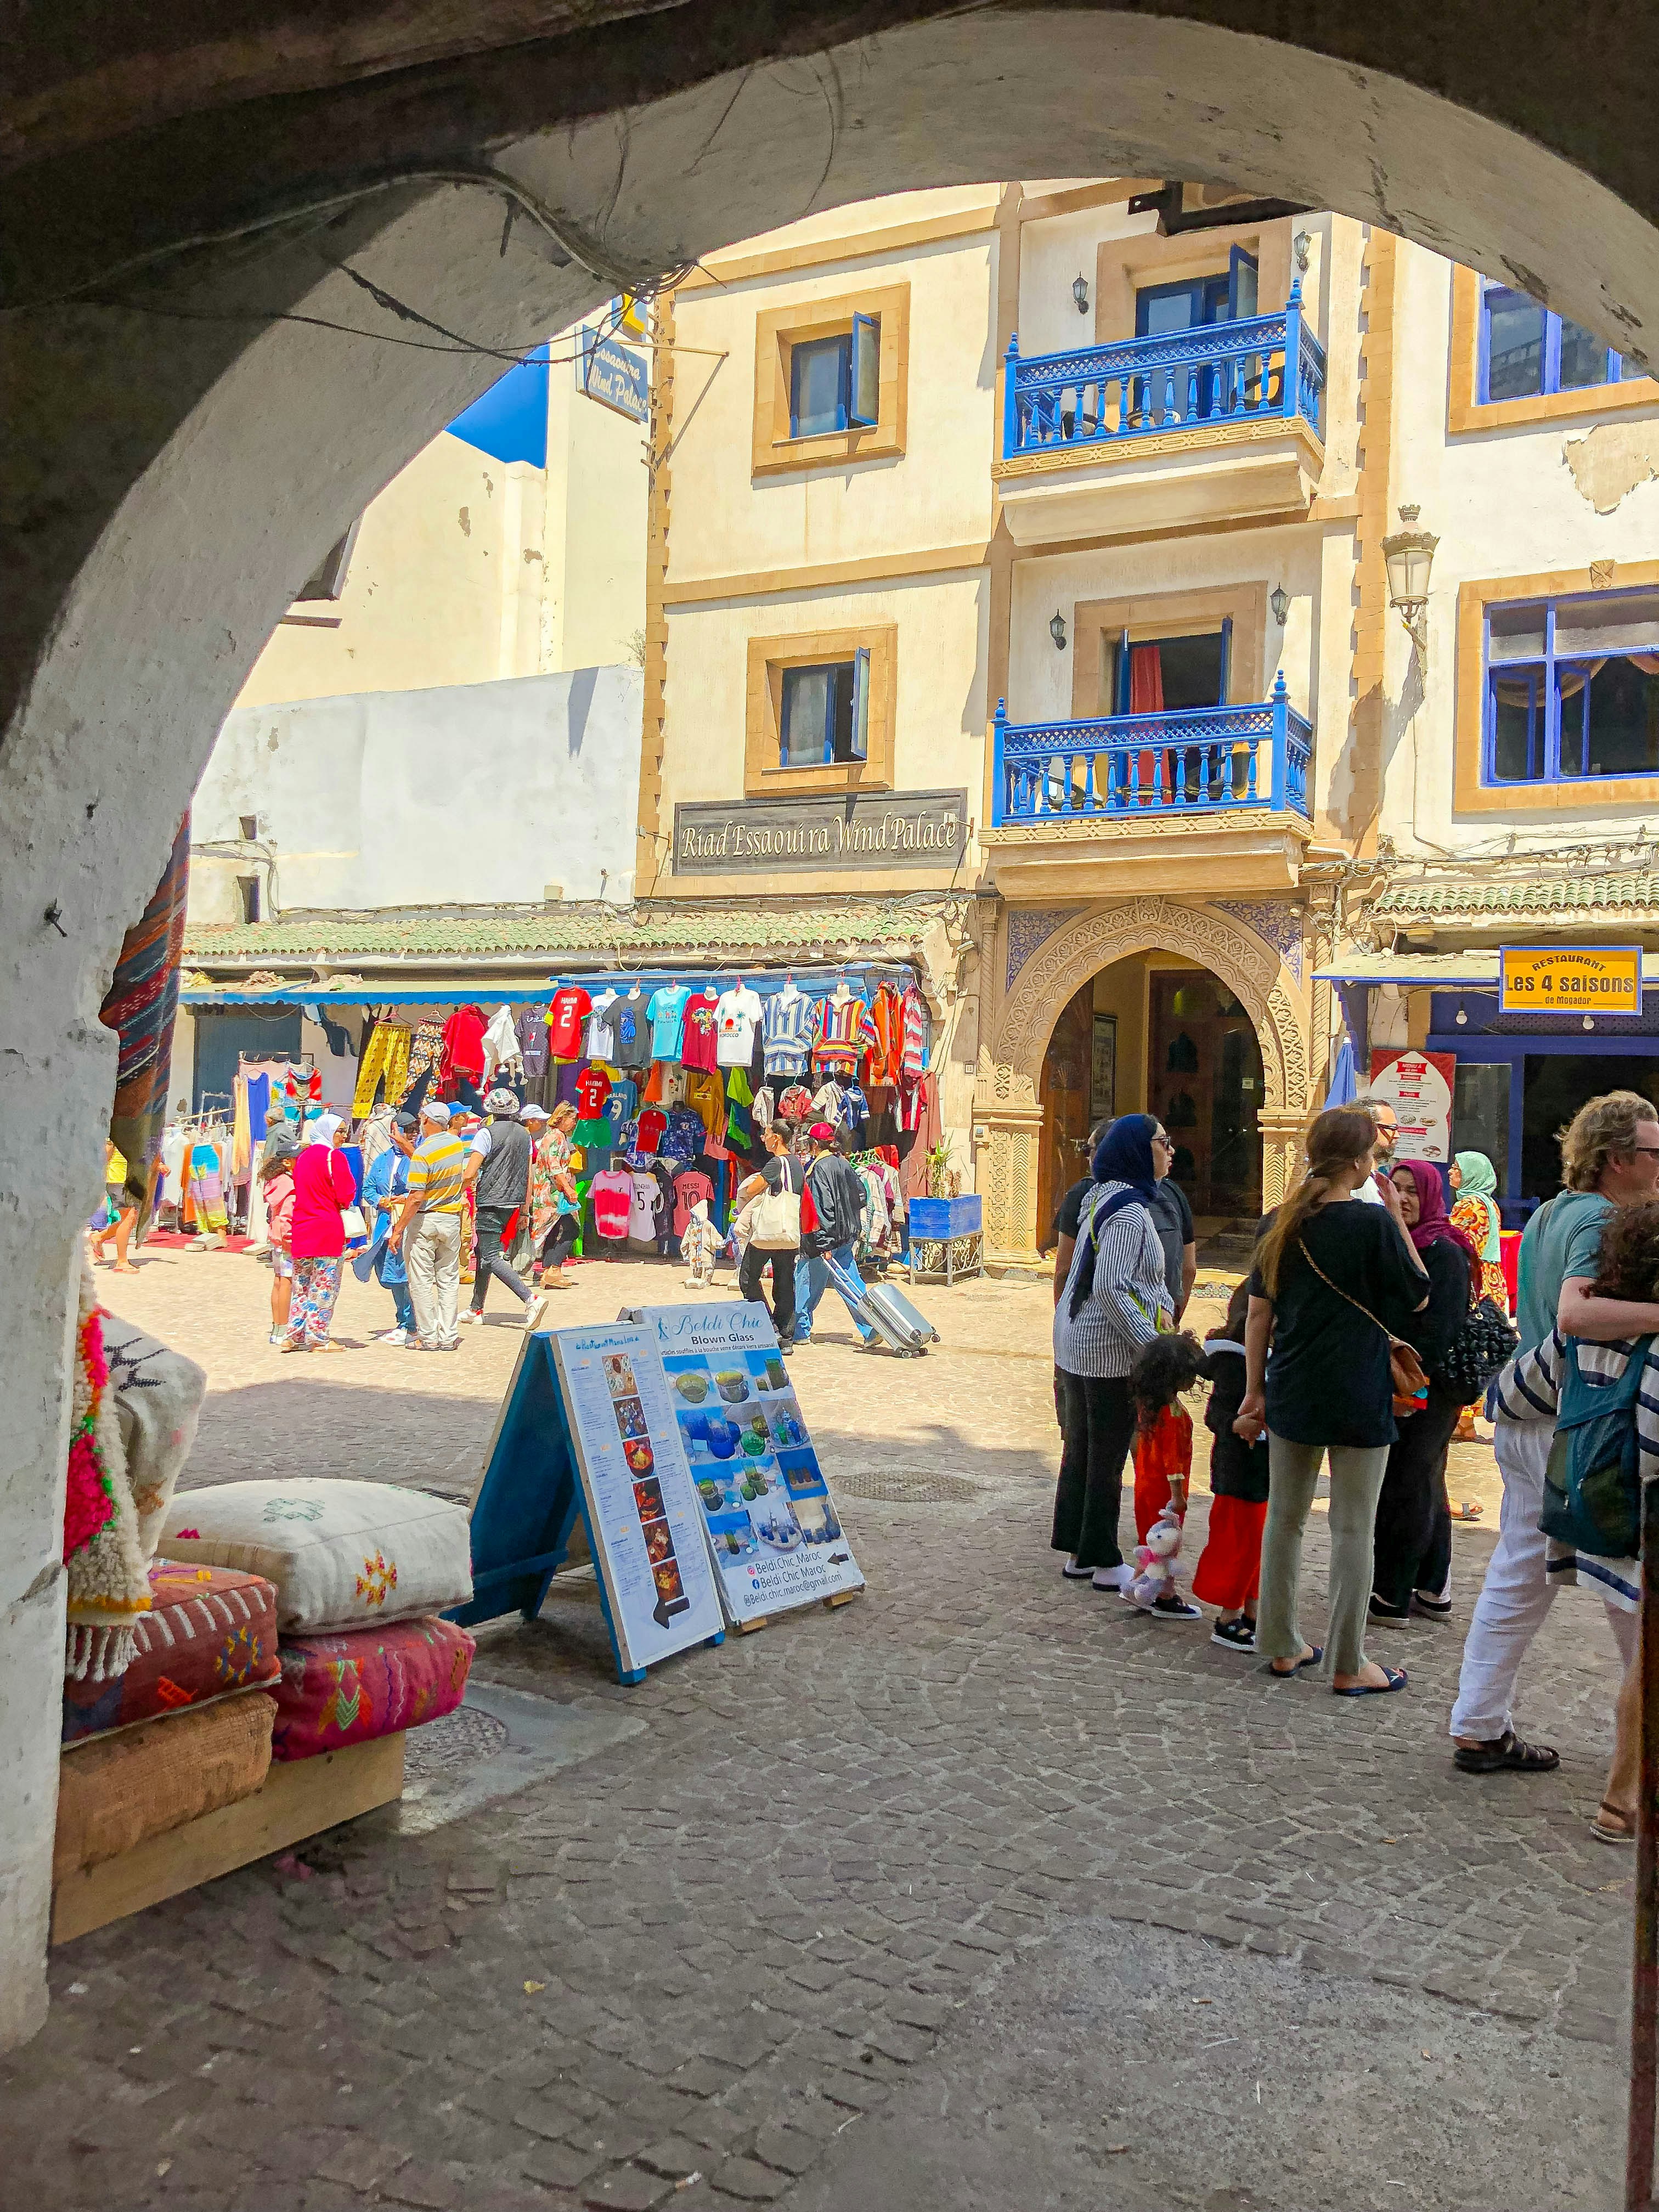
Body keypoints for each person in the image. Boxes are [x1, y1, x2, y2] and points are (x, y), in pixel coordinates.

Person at [1450, 1090, 1659, 1788]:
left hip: (1528, 1412)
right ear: (1618, 1159)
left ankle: (1479, 1725)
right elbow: (1575, 1313)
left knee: (1521, 1574)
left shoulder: (1547, 1213)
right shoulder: (1602, 1216)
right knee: (1625, 1579)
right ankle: (1639, 1757)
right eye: (1655, 1152)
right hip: (1576, 1422)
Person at [1236, 1105, 1430, 1691]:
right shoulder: (1371, 1225)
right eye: (1373, 1153)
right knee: (1352, 1528)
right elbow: (1419, 1295)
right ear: (1357, 1162)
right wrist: (1396, 1220)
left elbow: (1258, 1315)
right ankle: (1349, 1661)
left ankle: (1280, 1642)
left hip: (1294, 1384)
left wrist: (1253, 1392)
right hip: (1357, 1389)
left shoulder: (1282, 1223)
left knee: (1285, 1522)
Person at [1051, 1116, 1175, 1591]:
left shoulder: (1103, 1197)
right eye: (1162, 1143)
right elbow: (1110, 1287)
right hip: (1106, 1350)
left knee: (1082, 1449)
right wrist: (1153, 1345)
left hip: (1081, 1343)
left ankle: (1079, 1551)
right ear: (1138, 1152)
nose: (1170, 1152)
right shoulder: (1127, 1211)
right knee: (1105, 1457)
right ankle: (1103, 1557)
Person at [1368, 1160, 1476, 1628]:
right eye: (1399, 1188)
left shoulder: (1444, 1251)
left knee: (1404, 1484)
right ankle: (1433, 1589)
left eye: (1414, 1190)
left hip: (1426, 1386)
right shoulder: (1399, 1244)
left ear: (1431, 1195)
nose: (1405, 1198)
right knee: (1427, 1481)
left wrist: (1408, 1386)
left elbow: (1438, 1333)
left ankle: (1392, 1595)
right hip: (1405, 1380)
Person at [1191, 1281, 1271, 1650]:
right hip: (1239, 1470)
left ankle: (1254, 1611)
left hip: (1264, 1470)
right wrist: (1236, 1425)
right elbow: (1217, 1414)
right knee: (1240, 1545)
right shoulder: (1233, 1363)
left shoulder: (1268, 1358)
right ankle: (1228, 1617)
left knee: (1260, 1545)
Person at [1125, 1330, 1206, 1619]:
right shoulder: (1173, 1413)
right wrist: (1178, 1495)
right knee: (1167, 1545)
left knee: (1150, 1541)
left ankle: (1138, 1583)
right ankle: (1164, 1595)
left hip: (1145, 1483)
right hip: (1163, 1489)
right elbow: (1173, 1462)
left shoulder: (1148, 1405)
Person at [459, 1087, 545, 1331]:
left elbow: (471, 1171)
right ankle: (476, 1307)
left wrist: (452, 1192)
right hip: (514, 1202)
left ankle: (531, 1299)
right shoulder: (525, 1135)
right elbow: (529, 1174)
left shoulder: (486, 1133)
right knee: (484, 1250)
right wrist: (526, 1209)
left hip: (490, 1201)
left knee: (490, 1257)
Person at [391, 1099, 467, 1352]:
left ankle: (428, 1336)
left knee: (421, 1281)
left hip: (425, 1220)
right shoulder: (456, 1145)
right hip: (451, 1219)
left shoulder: (424, 1153)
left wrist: (399, 1229)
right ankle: (448, 1336)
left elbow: (416, 1197)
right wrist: (408, 1147)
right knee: (448, 1279)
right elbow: (436, 1169)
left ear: (426, 1121)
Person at [794, 1122, 875, 1348]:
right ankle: (872, 1327)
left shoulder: (818, 1168)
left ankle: (799, 1331)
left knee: (806, 1281)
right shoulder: (843, 1163)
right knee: (851, 1283)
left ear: (814, 1145)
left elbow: (822, 1208)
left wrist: (824, 1242)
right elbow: (862, 1196)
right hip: (845, 1236)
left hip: (824, 1240)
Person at [1448, 1148, 1508, 1451]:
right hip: (1489, 1281)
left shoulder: (1471, 1206)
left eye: (1457, 1168)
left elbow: (1456, 1243)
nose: (1450, 1172)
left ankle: (1463, 1420)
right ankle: (1465, 1422)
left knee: (1466, 1346)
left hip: (1475, 1283)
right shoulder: (1488, 1204)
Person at [282, 1110, 356, 1353]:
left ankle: (294, 1334)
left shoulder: (303, 1158)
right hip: (326, 1228)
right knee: (324, 1285)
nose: (343, 1137)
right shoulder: (334, 1158)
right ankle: (318, 1336)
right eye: (340, 1132)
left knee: (301, 1284)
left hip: (303, 1227)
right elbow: (346, 1193)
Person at [734, 1120, 804, 1349]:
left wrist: (751, 1187)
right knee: (785, 1282)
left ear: (778, 1138)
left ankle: (768, 1326)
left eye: (766, 1134)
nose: (763, 1138)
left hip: (769, 1231)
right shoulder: (797, 1164)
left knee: (748, 1276)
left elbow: (753, 1189)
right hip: (790, 1232)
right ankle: (786, 1336)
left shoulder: (776, 1163)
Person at [362, 1113, 417, 1345]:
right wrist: (381, 1200)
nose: (413, 1133)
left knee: (403, 1276)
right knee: (388, 1276)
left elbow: (421, 1189)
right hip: (385, 1226)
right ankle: (405, 1319)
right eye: (408, 1129)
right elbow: (368, 1189)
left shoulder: (417, 1158)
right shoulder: (383, 1160)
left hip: (407, 1225)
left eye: (416, 1128)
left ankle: (409, 1323)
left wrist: (403, 1199)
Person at [528, 1101, 580, 1289]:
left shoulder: (552, 1137)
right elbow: (554, 1167)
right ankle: (554, 1268)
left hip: (550, 1191)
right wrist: (568, 1189)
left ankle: (549, 1271)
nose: (574, 1123)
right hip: (554, 1193)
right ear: (562, 1118)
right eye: (572, 1119)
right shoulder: (556, 1138)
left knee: (554, 1231)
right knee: (572, 1229)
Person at [259, 1148, 297, 1344]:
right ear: (287, 1162)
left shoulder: (274, 1183)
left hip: (275, 1238)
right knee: (286, 1283)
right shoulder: (290, 1185)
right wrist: (290, 1240)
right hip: (286, 1240)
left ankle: (276, 1328)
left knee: (278, 1281)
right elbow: (287, 1218)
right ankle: (283, 1329)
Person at [91, 1139, 139, 1273]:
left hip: (129, 1179)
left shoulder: (131, 1129)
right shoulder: (116, 1130)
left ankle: (99, 1237)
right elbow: (104, 1156)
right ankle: (122, 1261)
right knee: (130, 1216)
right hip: (117, 1179)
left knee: (132, 1218)